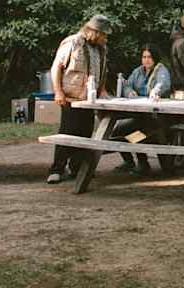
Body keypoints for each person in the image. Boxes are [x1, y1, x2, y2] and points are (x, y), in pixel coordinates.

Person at [47, 14, 110, 184]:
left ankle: (77, 168)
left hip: (89, 100)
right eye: (104, 34)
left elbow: (102, 72)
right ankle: (57, 169)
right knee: (67, 132)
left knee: (85, 134)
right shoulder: (72, 43)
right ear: (95, 32)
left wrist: (102, 90)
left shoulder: (100, 49)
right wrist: (58, 92)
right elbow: (56, 68)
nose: (105, 38)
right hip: (70, 98)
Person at [112, 44, 172, 174]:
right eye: (144, 57)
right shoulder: (138, 71)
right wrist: (129, 92)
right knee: (117, 131)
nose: (146, 60)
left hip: (157, 118)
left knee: (137, 135)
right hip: (139, 115)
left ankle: (144, 164)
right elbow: (127, 85)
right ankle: (129, 162)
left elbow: (163, 84)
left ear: (155, 58)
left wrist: (156, 91)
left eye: (149, 57)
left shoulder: (161, 70)